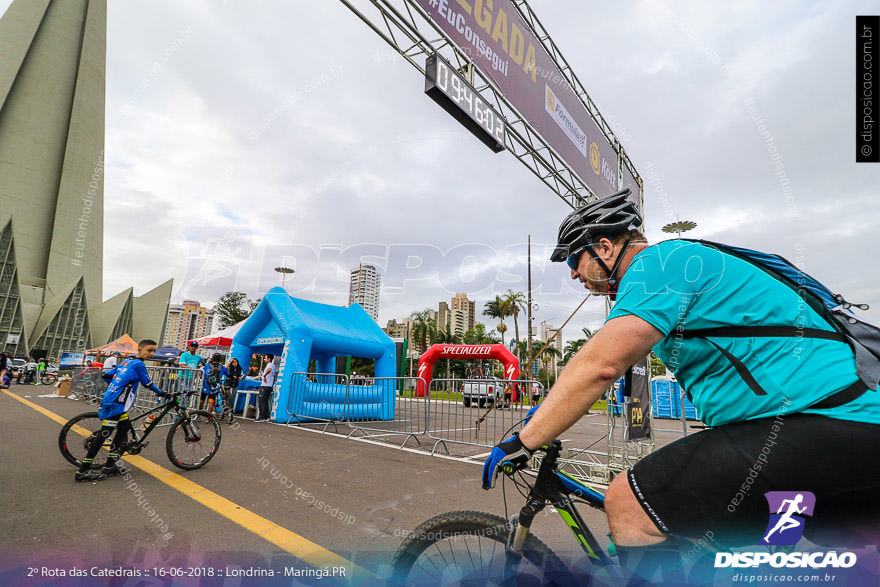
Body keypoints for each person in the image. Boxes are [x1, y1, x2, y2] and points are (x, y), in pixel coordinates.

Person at [481, 189, 880, 581]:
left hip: (818, 421)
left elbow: (600, 365)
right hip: (852, 429)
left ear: (604, 247)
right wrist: (548, 411)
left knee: (629, 503)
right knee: (786, 550)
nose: (572, 272)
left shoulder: (658, 264)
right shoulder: (686, 266)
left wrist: (525, 439)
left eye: (573, 258)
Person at [74, 339, 165, 482]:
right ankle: (83, 471)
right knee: (102, 436)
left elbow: (107, 375)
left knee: (122, 431)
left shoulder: (127, 361)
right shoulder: (138, 364)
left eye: (154, 351)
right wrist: (162, 393)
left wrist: (114, 387)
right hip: (116, 403)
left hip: (115, 402)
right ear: (140, 350)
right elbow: (147, 383)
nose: (152, 353)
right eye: (149, 350)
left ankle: (110, 466)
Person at [256, 354, 276, 422]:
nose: (264, 359)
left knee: (262, 401)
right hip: (269, 386)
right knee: (265, 401)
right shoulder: (274, 366)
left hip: (265, 386)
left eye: (265, 358)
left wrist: (264, 375)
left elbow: (269, 370)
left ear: (269, 359)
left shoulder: (270, 365)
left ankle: (262, 416)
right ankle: (266, 416)